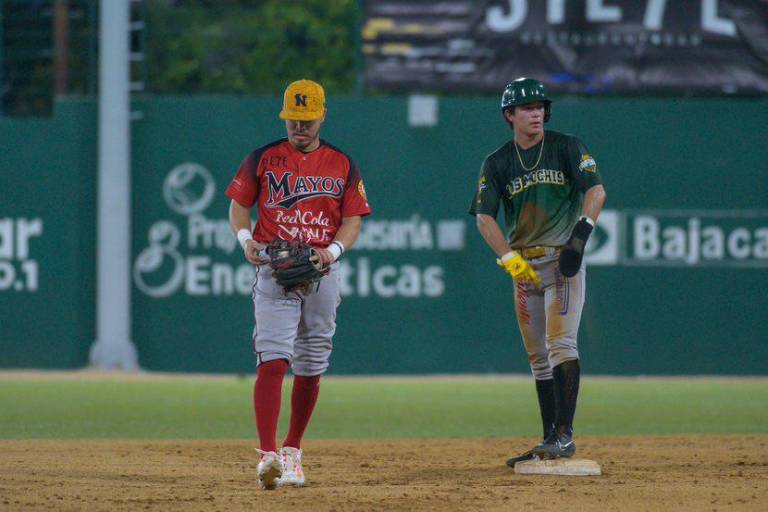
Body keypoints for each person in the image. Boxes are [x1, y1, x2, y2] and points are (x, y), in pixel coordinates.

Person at [226, 79, 371, 490]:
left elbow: (353, 218)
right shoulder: (263, 158)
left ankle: (292, 449)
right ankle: (268, 454)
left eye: (306, 120)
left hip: (322, 271)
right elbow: (239, 206)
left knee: (312, 363)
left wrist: (333, 253)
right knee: (273, 358)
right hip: (275, 266)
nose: (299, 127)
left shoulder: (341, 163)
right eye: (293, 119)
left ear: (322, 115)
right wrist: (246, 240)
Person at [468, 77, 606, 466]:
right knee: (538, 357)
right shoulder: (498, 162)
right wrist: (510, 259)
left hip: (562, 262)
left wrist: (580, 236)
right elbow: (484, 218)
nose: (537, 113)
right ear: (509, 115)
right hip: (525, 267)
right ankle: (550, 437)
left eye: (541, 106)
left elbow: (596, 191)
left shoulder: (565, 146)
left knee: (561, 345)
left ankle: (565, 436)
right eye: (528, 108)